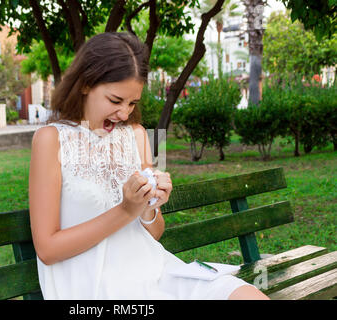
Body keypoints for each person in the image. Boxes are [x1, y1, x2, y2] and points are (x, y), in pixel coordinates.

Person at [28, 32, 269, 300]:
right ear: (85, 84)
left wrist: (150, 206)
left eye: (132, 103)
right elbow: (47, 250)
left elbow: (154, 233)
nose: (124, 113)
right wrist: (125, 210)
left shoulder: (137, 134)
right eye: (115, 100)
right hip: (96, 287)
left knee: (247, 295)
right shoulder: (51, 140)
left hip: (154, 272)